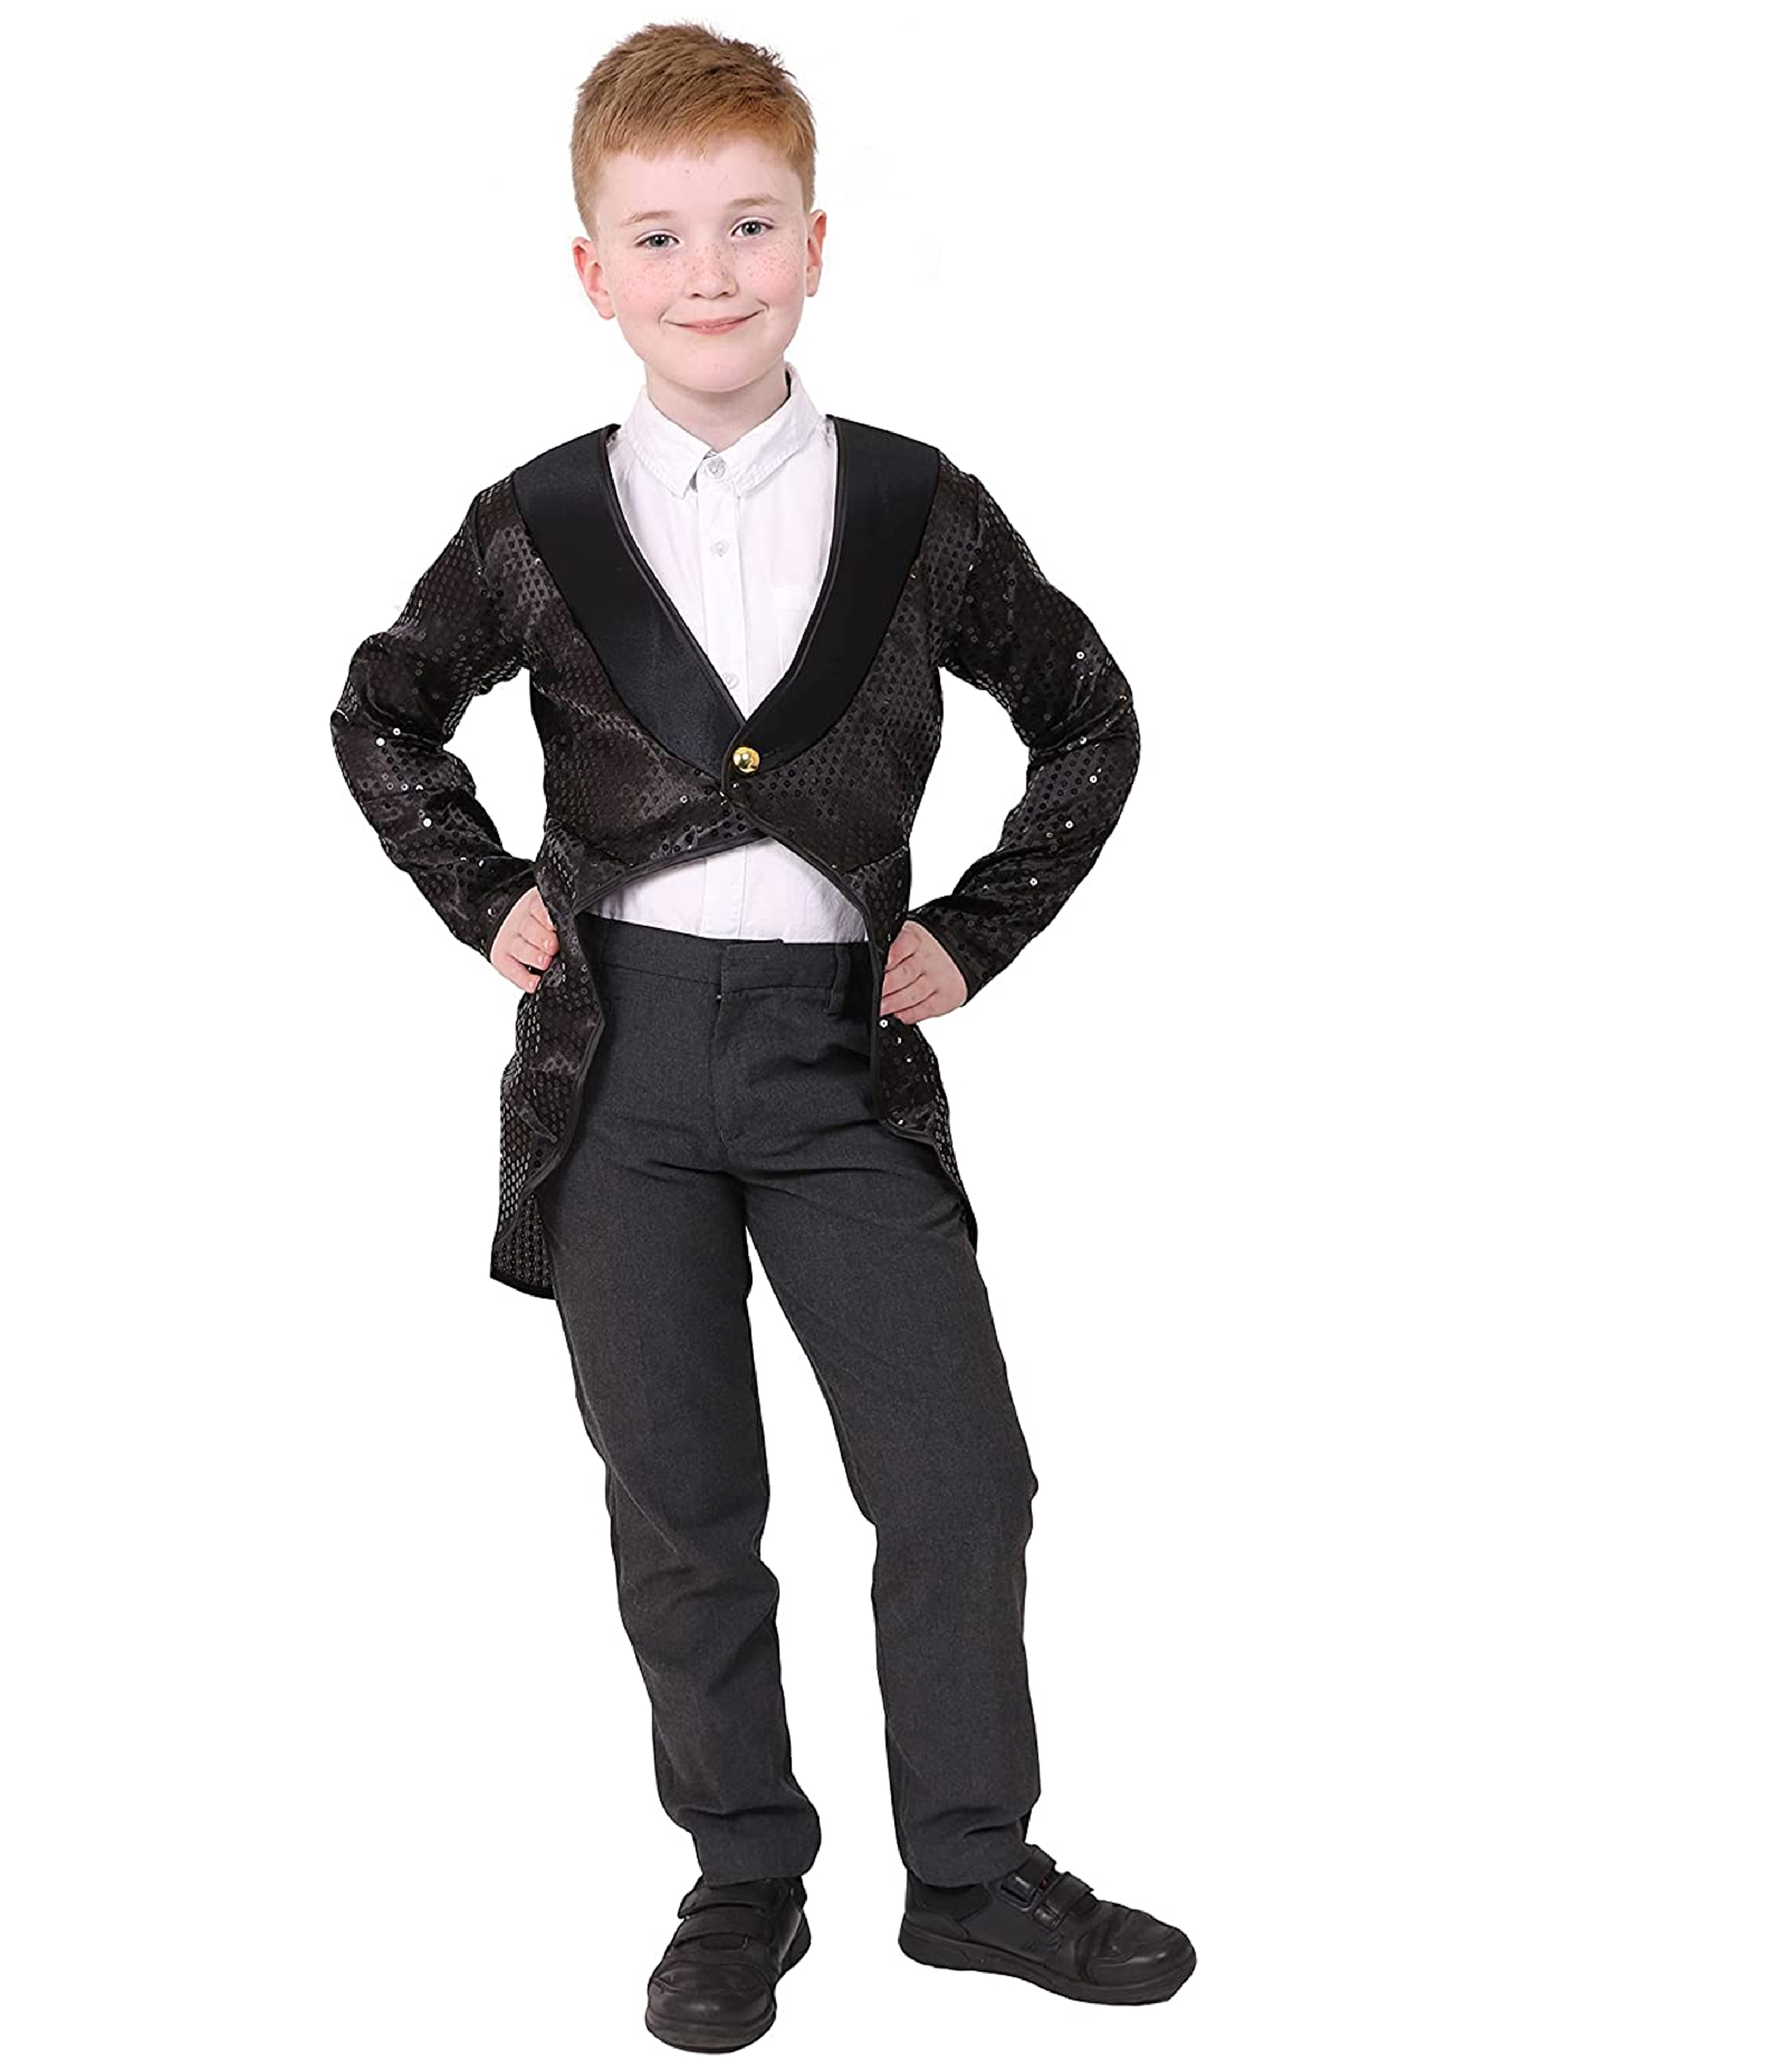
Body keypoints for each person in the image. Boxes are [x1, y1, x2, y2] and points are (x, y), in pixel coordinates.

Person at [329, 22, 1195, 2051]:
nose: (706, 272)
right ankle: (742, 1877)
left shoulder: (915, 507)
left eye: (746, 226)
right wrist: (481, 893)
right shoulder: (537, 518)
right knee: (684, 1500)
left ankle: (970, 1874)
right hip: (615, 1073)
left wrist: (974, 931)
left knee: (957, 1477)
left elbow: (1090, 715)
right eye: (659, 237)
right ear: (593, 271)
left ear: (813, 241)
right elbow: (383, 711)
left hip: (836, 1063)